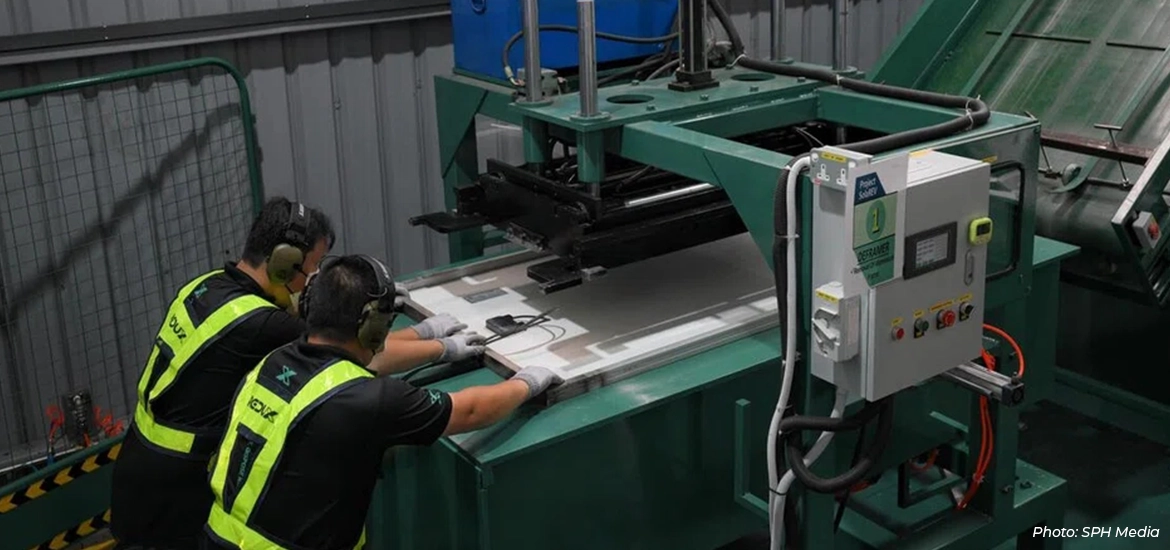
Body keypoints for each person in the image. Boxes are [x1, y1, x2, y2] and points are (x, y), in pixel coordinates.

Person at [111, 198, 484, 550]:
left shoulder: (209, 285)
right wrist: (437, 344)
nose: (312, 283)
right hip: (176, 490)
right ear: (283, 262)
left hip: (142, 466)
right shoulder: (260, 324)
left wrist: (401, 323)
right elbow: (351, 355)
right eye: (311, 270)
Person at [200, 254, 561, 550]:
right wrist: (527, 382)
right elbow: (470, 410)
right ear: (371, 327)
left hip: (217, 536)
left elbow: (349, 368)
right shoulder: (371, 400)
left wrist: (434, 343)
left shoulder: (273, 362)